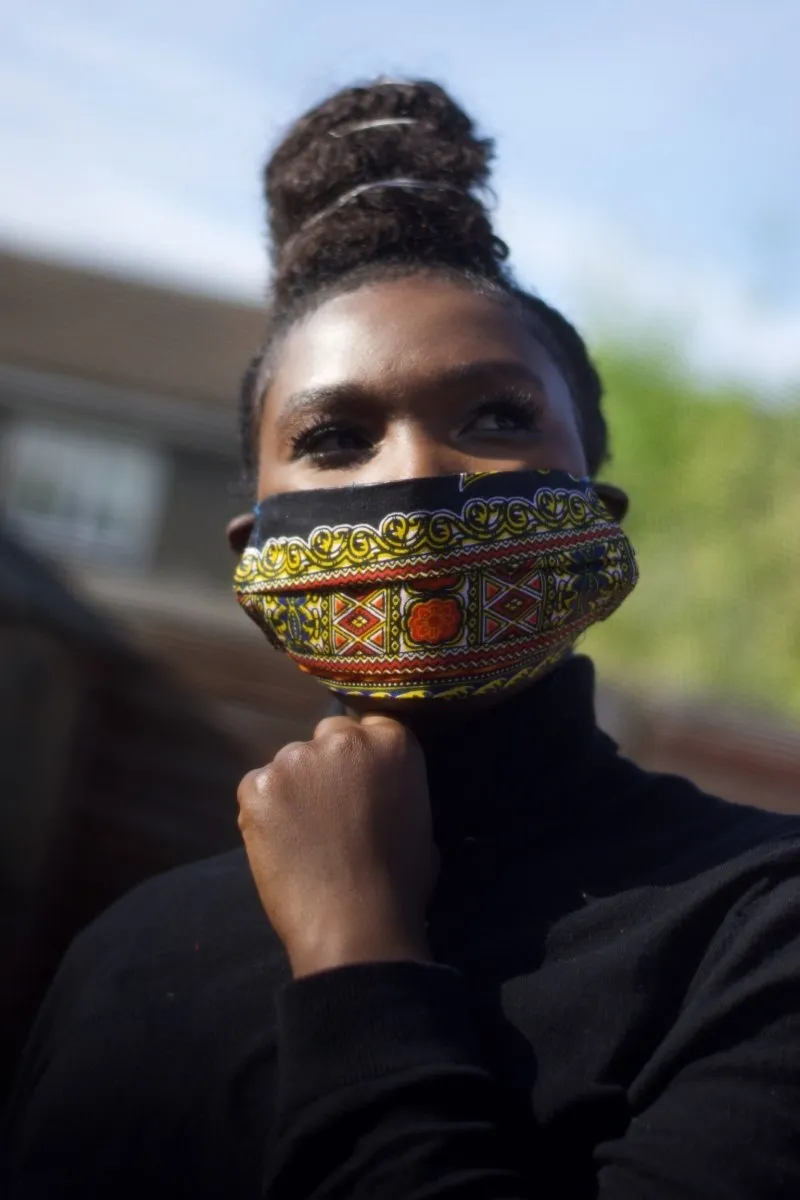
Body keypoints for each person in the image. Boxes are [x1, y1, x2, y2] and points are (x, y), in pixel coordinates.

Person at [4, 79, 800, 1200]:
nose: (416, 476)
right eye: (333, 437)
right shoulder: (127, 956)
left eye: (493, 417)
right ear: (253, 558)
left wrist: (355, 957)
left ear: (593, 513)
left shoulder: (754, 928)